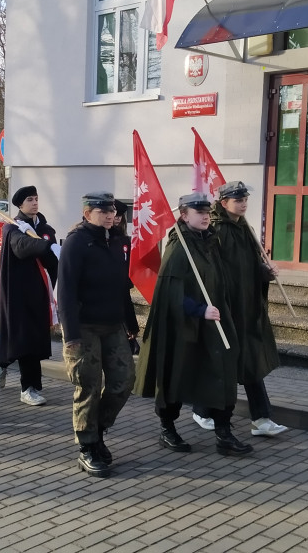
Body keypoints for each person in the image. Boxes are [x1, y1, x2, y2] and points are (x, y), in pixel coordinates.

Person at [134, 192, 252, 457]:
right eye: (199, 213)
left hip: (215, 324)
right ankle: (168, 428)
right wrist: (199, 310)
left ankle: (224, 433)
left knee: (223, 373)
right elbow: (168, 292)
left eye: (208, 213)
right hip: (183, 328)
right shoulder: (178, 247)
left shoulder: (210, 242)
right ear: (184, 215)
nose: (205, 217)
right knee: (177, 376)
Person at [191, 181, 288, 438]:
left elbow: (250, 265)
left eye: (245, 198)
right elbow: (210, 271)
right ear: (224, 203)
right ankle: (202, 410)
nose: (244, 203)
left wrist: (265, 272)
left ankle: (261, 418)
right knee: (223, 362)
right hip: (227, 308)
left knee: (251, 360)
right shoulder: (215, 231)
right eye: (238, 200)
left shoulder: (246, 228)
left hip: (248, 307)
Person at [57, 192, 134, 477]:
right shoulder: (77, 243)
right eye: (103, 212)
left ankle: (98, 429)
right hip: (84, 327)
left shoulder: (115, 242)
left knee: (124, 381)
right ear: (88, 213)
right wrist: (71, 336)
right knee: (88, 385)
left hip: (113, 325)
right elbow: (64, 292)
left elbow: (121, 288)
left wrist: (131, 327)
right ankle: (88, 446)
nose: (110, 216)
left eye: (112, 211)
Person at [0, 185, 61, 406]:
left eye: (36, 198)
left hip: (40, 293)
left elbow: (53, 262)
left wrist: (57, 252)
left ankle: (21, 378)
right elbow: (21, 248)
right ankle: (20, 381)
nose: (34, 203)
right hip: (17, 295)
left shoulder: (46, 228)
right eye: (29, 200)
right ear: (20, 205)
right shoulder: (12, 228)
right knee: (20, 340)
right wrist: (46, 246)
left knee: (34, 342)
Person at [110, 200, 140, 355]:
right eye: (114, 215)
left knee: (126, 311)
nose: (116, 219)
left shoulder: (125, 240)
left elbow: (129, 263)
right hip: (109, 288)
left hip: (123, 285)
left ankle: (131, 338)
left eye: (119, 216)